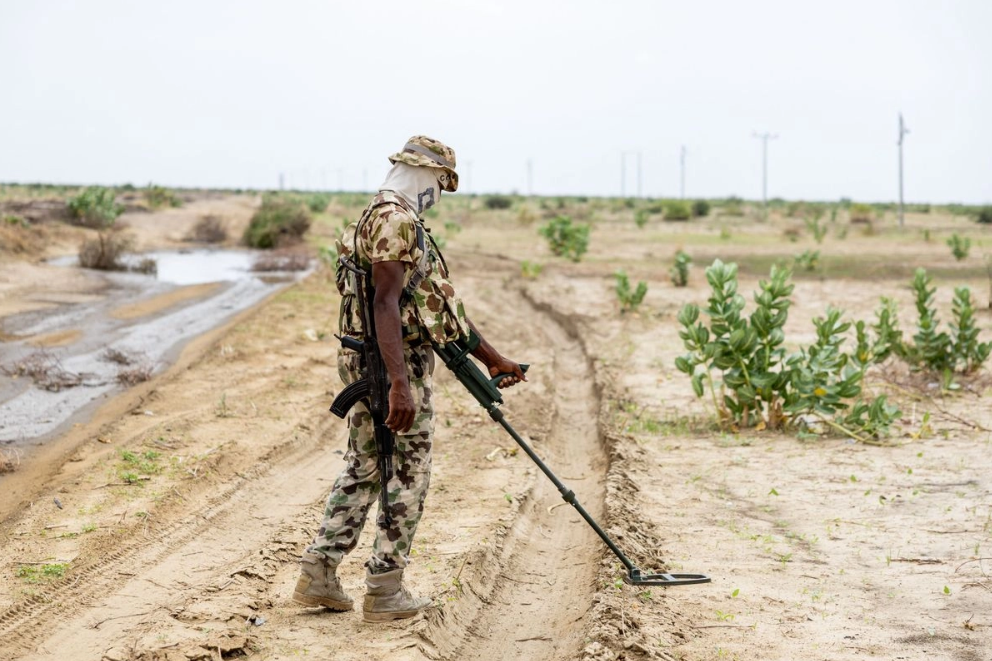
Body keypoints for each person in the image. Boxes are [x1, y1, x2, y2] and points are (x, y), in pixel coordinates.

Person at [293, 135, 526, 622]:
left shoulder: (377, 215)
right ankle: (384, 589)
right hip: (389, 366)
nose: (440, 195)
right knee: (407, 474)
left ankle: (319, 571)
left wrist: (493, 358)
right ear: (428, 176)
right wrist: (398, 383)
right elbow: (384, 303)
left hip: (370, 359)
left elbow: (429, 306)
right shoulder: (398, 220)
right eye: (442, 184)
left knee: (366, 465)